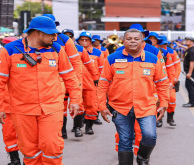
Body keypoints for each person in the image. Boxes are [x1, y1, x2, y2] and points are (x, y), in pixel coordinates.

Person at [0, 16, 81, 165]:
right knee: (30, 151)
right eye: (51, 34)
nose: (55, 37)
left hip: (51, 108)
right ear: (37, 32)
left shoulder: (57, 49)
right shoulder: (9, 51)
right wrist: (1, 107)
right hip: (22, 110)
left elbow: (70, 77)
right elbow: (1, 81)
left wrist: (75, 100)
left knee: (52, 145)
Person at [98, 29, 169, 165]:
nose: (132, 41)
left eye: (136, 39)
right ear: (123, 41)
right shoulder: (112, 58)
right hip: (120, 107)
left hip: (146, 106)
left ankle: (142, 157)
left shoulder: (152, 58)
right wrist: (101, 105)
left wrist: (164, 103)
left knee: (150, 136)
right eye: (129, 38)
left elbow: (162, 83)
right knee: (124, 141)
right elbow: (103, 83)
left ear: (142, 42)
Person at [62, 29, 100, 138]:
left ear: (73, 38)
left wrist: (96, 77)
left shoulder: (80, 50)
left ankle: (78, 127)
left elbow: (89, 64)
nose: (68, 38)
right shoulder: (56, 48)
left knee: (78, 104)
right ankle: (63, 130)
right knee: (61, 107)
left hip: (77, 82)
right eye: (65, 36)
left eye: (70, 36)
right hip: (62, 82)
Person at [76, 31, 105, 135]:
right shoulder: (74, 51)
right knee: (77, 106)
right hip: (77, 84)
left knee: (92, 107)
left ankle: (89, 127)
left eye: (86, 40)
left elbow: (102, 69)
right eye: (82, 40)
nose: (84, 42)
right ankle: (77, 127)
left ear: (90, 41)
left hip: (92, 84)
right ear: (78, 41)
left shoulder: (98, 53)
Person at [1, 37, 21, 165]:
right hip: (8, 104)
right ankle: (15, 159)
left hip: (19, 104)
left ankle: (21, 159)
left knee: (22, 135)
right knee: (9, 134)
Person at [183, 37, 194, 107]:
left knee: (191, 87)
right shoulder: (191, 49)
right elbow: (186, 48)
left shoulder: (192, 51)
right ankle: (190, 101)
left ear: (192, 42)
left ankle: (192, 102)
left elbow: (192, 62)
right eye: (186, 40)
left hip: (191, 72)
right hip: (190, 71)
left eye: (188, 41)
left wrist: (189, 73)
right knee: (188, 86)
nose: (186, 41)